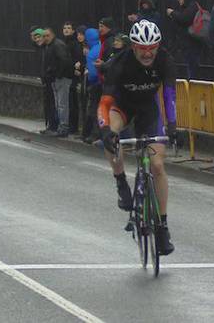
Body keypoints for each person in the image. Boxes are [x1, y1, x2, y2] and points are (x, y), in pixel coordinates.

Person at [98, 20, 177, 256]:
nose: (147, 52)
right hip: (122, 106)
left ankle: (162, 227)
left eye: (152, 46)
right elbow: (105, 102)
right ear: (132, 47)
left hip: (148, 111)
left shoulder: (164, 60)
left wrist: (172, 126)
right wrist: (106, 131)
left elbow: (170, 94)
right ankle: (121, 180)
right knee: (112, 134)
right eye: (142, 47)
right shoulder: (120, 63)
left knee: (157, 165)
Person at [166, 0, 203, 79]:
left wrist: (173, 13)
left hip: (192, 43)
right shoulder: (187, 7)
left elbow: (185, 18)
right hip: (188, 43)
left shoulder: (192, 6)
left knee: (192, 67)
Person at [43, 28, 73, 137]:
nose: (45, 38)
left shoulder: (57, 45)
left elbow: (64, 60)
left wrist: (59, 74)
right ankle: (61, 126)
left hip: (61, 78)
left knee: (62, 104)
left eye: (47, 35)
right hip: (56, 78)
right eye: (44, 36)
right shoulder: (52, 46)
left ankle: (63, 127)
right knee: (59, 104)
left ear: (52, 35)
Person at [63, 22, 84, 134]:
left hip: (73, 76)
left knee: (72, 102)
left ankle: (73, 126)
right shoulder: (65, 42)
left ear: (72, 31)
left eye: (69, 28)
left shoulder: (74, 44)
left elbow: (76, 59)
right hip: (68, 75)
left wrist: (75, 68)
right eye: (65, 28)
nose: (66, 30)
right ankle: (71, 125)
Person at [82, 27, 101, 143]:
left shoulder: (92, 52)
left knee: (94, 110)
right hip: (105, 83)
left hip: (96, 84)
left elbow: (93, 73)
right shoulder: (101, 46)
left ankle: (94, 134)